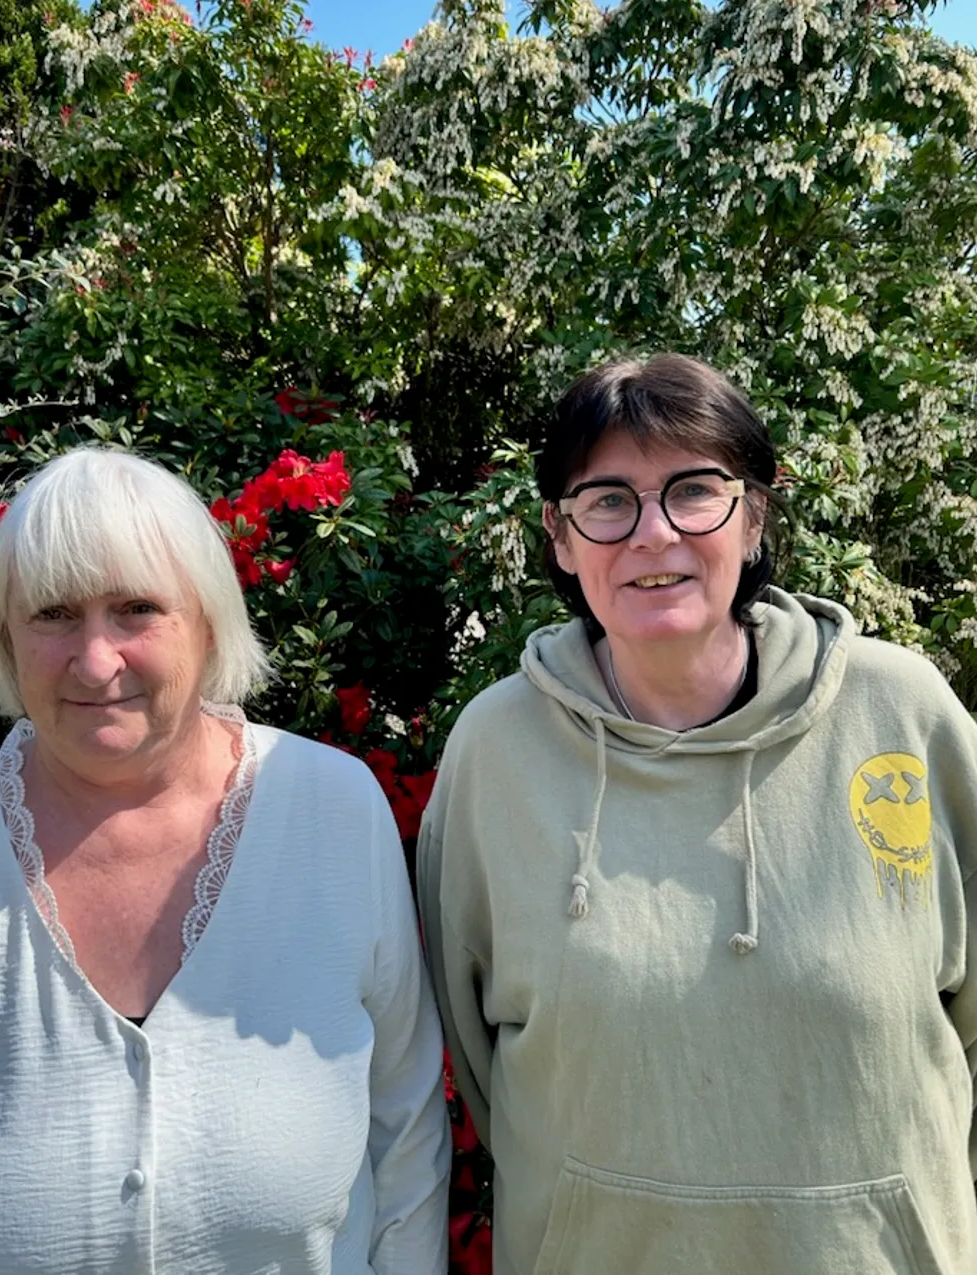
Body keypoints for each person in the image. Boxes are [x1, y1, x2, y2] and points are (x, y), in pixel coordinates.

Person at [418, 352, 977, 1275]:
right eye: (608, 499)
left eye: (695, 490)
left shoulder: (904, 716)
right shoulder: (496, 750)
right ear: (561, 536)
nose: (654, 532)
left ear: (753, 516)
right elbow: (476, 1055)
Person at [0, 446, 449, 1275]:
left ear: (209, 621)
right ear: (5, 634)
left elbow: (406, 1128)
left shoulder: (332, 813)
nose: (96, 659)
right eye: (53, 614)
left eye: (137, 609)